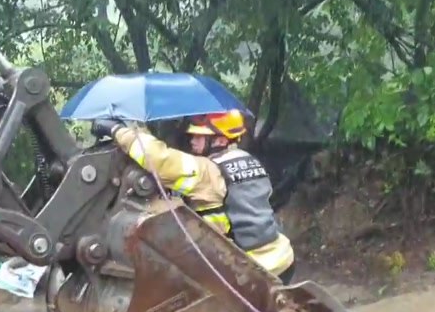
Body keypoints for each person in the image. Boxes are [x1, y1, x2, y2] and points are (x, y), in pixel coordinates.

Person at [90, 109, 297, 283]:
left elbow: (160, 160)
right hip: (281, 259)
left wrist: (119, 130)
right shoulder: (249, 161)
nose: (192, 141)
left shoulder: (208, 172)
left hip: (249, 272)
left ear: (221, 139)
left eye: (200, 136)